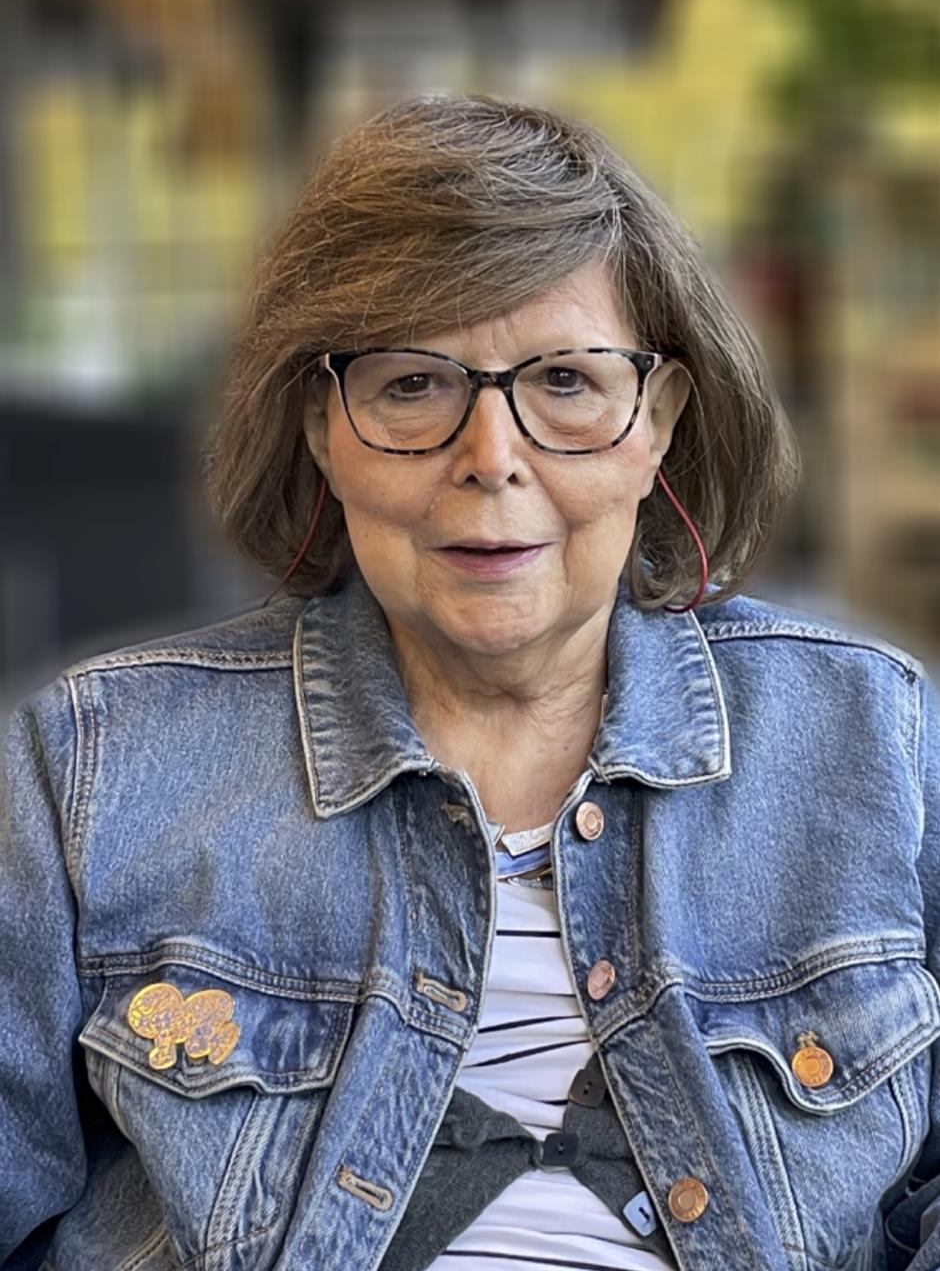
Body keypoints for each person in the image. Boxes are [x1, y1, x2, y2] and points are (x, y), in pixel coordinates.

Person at [1, 92, 938, 1271]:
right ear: (321, 426)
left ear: (656, 420)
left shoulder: (874, 734)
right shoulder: (91, 764)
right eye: (412, 384)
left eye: (565, 381)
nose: (491, 458)